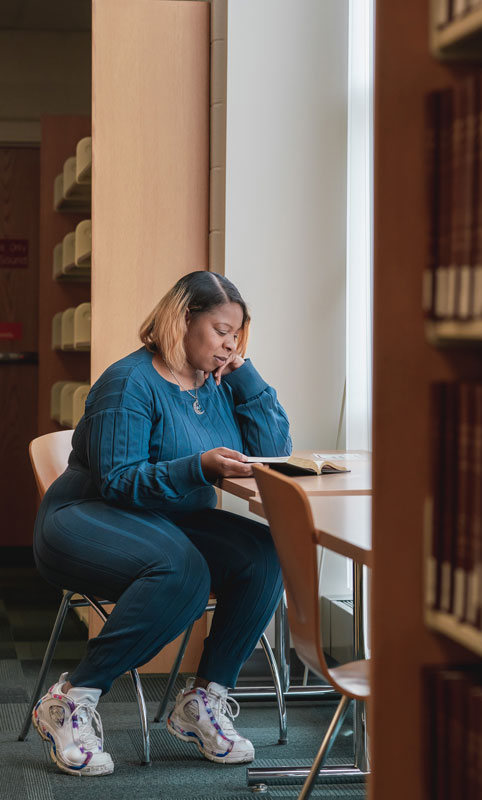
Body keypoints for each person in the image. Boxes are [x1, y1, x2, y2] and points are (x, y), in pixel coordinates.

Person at [32, 270, 292, 776]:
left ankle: (204, 701)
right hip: (84, 519)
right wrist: (200, 467)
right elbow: (117, 480)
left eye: (237, 334)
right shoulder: (129, 381)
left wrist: (246, 374)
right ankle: (69, 701)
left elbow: (274, 452)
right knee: (183, 572)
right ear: (182, 320)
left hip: (170, 521)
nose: (229, 343)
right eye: (221, 330)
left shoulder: (217, 383)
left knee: (265, 552)